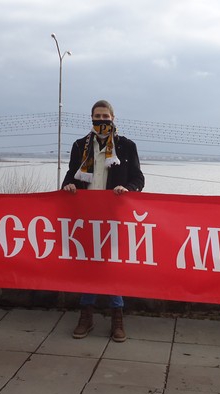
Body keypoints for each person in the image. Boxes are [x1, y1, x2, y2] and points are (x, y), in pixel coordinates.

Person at [61, 100, 145, 342]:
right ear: (91, 118)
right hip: (86, 216)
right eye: (97, 116)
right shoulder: (79, 146)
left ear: (113, 118)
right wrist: (68, 185)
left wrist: (127, 189)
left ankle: (117, 317)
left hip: (114, 216)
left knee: (111, 266)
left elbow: (138, 178)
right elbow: (71, 175)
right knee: (88, 266)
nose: (101, 120)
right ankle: (86, 316)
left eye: (105, 116)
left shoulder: (126, 146)